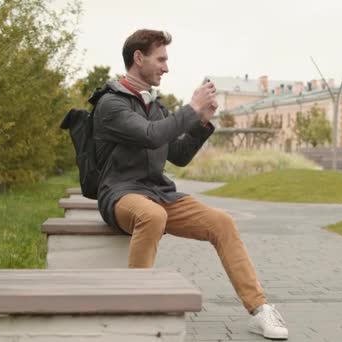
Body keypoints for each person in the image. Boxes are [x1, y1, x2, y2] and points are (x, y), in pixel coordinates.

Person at [91, 28, 289, 340]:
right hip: (121, 194)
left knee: (222, 222)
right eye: (161, 59)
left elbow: (179, 155)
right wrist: (190, 109)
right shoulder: (111, 104)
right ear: (138, 57)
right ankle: (135, 308)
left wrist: (202, 121)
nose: (166, 67)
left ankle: (260, 309)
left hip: (159, 193)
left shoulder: (155, 105)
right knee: (152, 216)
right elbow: (151, 135)